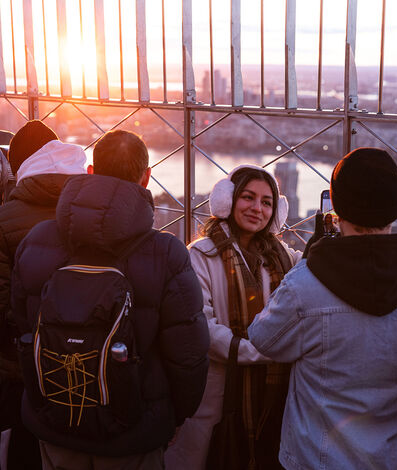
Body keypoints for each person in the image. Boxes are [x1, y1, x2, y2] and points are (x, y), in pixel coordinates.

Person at [11, 129, 210, 470]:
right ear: (145, 178)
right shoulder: (165, 253)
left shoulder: (37, 240)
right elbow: (188, 353)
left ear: (90, 171)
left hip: (55, 414)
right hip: (134, 430)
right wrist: (174, 416)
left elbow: (20, 325)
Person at [248, 147, 397, 470]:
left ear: (337, 209)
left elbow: (263, 338)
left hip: (315, 459)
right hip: (395, 460)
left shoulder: (306, 284)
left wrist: (311, 260)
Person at [165, 165, 302, 470]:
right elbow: (203, 328)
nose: (257, 208)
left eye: (267, 202)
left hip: (270, 396)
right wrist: (265, 351)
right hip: (219, 393)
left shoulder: (282, 256)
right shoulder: (201, 254)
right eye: (248, 197)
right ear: (226, 201)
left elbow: (313, 277)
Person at [0, 120, 86, 470]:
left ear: (18, 168)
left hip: (16, 365)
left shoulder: (4, 220)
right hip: (85, 362)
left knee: (22, 447)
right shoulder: (91, 214)